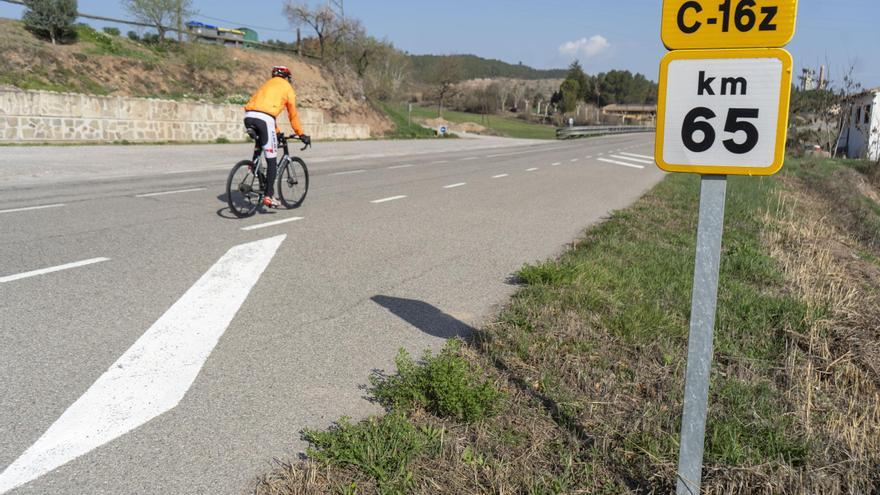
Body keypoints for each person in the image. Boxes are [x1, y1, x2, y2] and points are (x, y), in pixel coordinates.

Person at [244, 66, 311, 208]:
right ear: (287, 77)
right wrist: (300, 133)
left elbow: (263, 110)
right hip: (265, 120)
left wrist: (277, 131)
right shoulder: (287, 88)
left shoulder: (266, 84)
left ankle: (255, 165)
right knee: (272, 161)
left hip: (249, 117)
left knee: (261, 142)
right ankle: (269, 196)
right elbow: (292, 114)